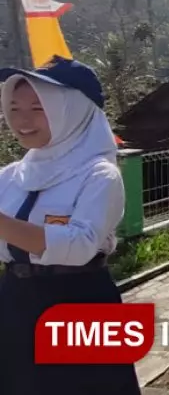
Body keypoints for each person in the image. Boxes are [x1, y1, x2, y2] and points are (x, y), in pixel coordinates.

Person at [0, 56, 141, 394]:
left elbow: (79, 246)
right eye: (14, 108)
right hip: (16, 300)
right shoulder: (10, 177)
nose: (22, 120)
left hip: (78, 301)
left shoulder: (98, 174)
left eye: (38, 108)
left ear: (73, 111)